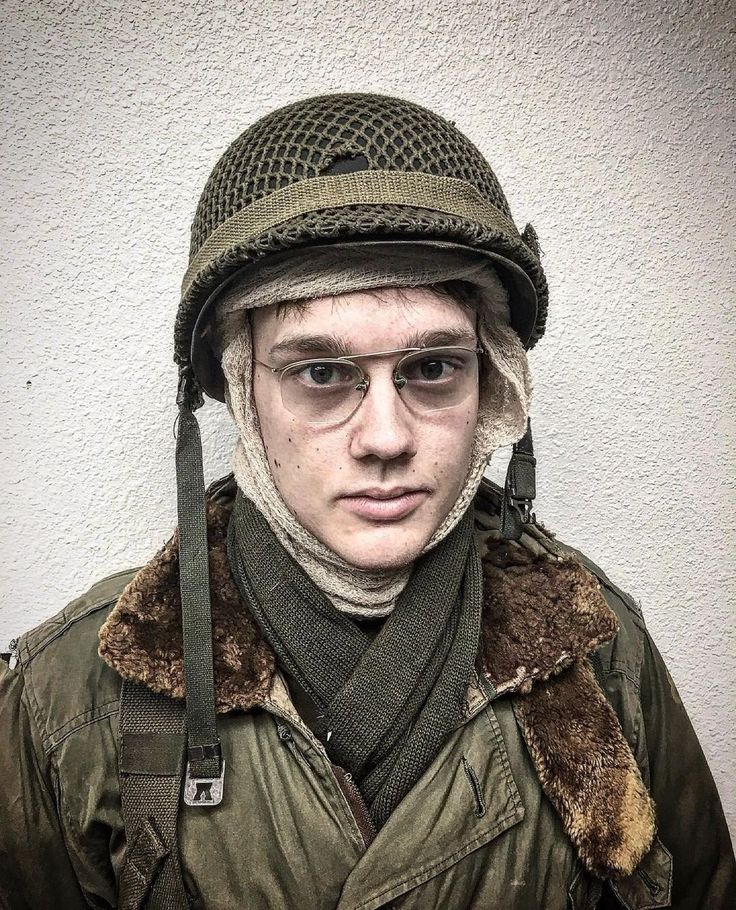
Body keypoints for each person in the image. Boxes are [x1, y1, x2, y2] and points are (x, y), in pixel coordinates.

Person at [0, 92, 733, 910]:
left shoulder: (600, 653)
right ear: (244, 390)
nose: (384, 437)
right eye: (320, 373)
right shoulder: (73, 696)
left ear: (490, 385)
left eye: (431, 369)